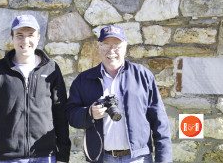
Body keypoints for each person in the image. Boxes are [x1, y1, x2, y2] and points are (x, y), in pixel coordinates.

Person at [65, 25, 172, 163]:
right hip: (101, 158)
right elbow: (70, 114)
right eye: (106, 45)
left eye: (117, 45)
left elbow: (160, 123)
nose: (111, 51)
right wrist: (89, 113)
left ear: (125, 48)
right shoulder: (84, 79)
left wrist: (164, 160)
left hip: (138, 158)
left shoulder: (143, 76)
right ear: (99, 47)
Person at [0, 15, 71, 163]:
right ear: (12, 38)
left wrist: (63, 156)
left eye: (30, 35)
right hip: (9, 158)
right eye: (20, 35)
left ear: (38, 37)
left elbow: (60, 115)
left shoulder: (51, 69)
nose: (25, 41)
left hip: (46, 156)